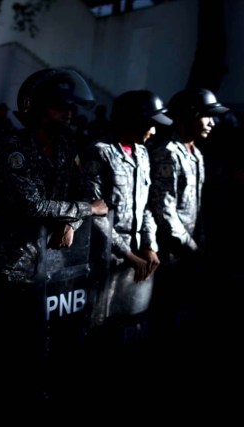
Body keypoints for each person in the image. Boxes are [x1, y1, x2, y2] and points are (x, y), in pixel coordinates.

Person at [0, 67, 108, 417]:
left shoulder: (68, 146)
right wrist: (84, 210)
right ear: (36, 108)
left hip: (55, 263)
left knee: (52, 341)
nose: (68, 115)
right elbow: (32, 204)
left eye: (70, 108)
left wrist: (70, 219)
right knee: (16, 346)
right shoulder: (13, 148)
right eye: (59, 108)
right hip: (14, 265)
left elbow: (86, 190)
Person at [82, 90, 171, 352]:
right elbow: (93, 215)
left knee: (130, 329)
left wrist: (150, 245)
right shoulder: (99, 153)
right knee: (97, 331)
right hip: (103, 262)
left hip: (134, 263)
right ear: (132, 120)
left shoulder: (142, 154)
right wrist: (128, 254)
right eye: (150, 124)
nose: (153, 132)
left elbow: (145, 207)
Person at [147, 87, 229, 364]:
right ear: (191, 115)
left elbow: (196, 208)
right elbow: (164, 211)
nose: (212, 123)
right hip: (167, 255)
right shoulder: (167, 153)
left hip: (188, 255)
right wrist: (194, 249)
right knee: (159, 322)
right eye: (207, 116)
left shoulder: (195, 153)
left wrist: (200, 244)